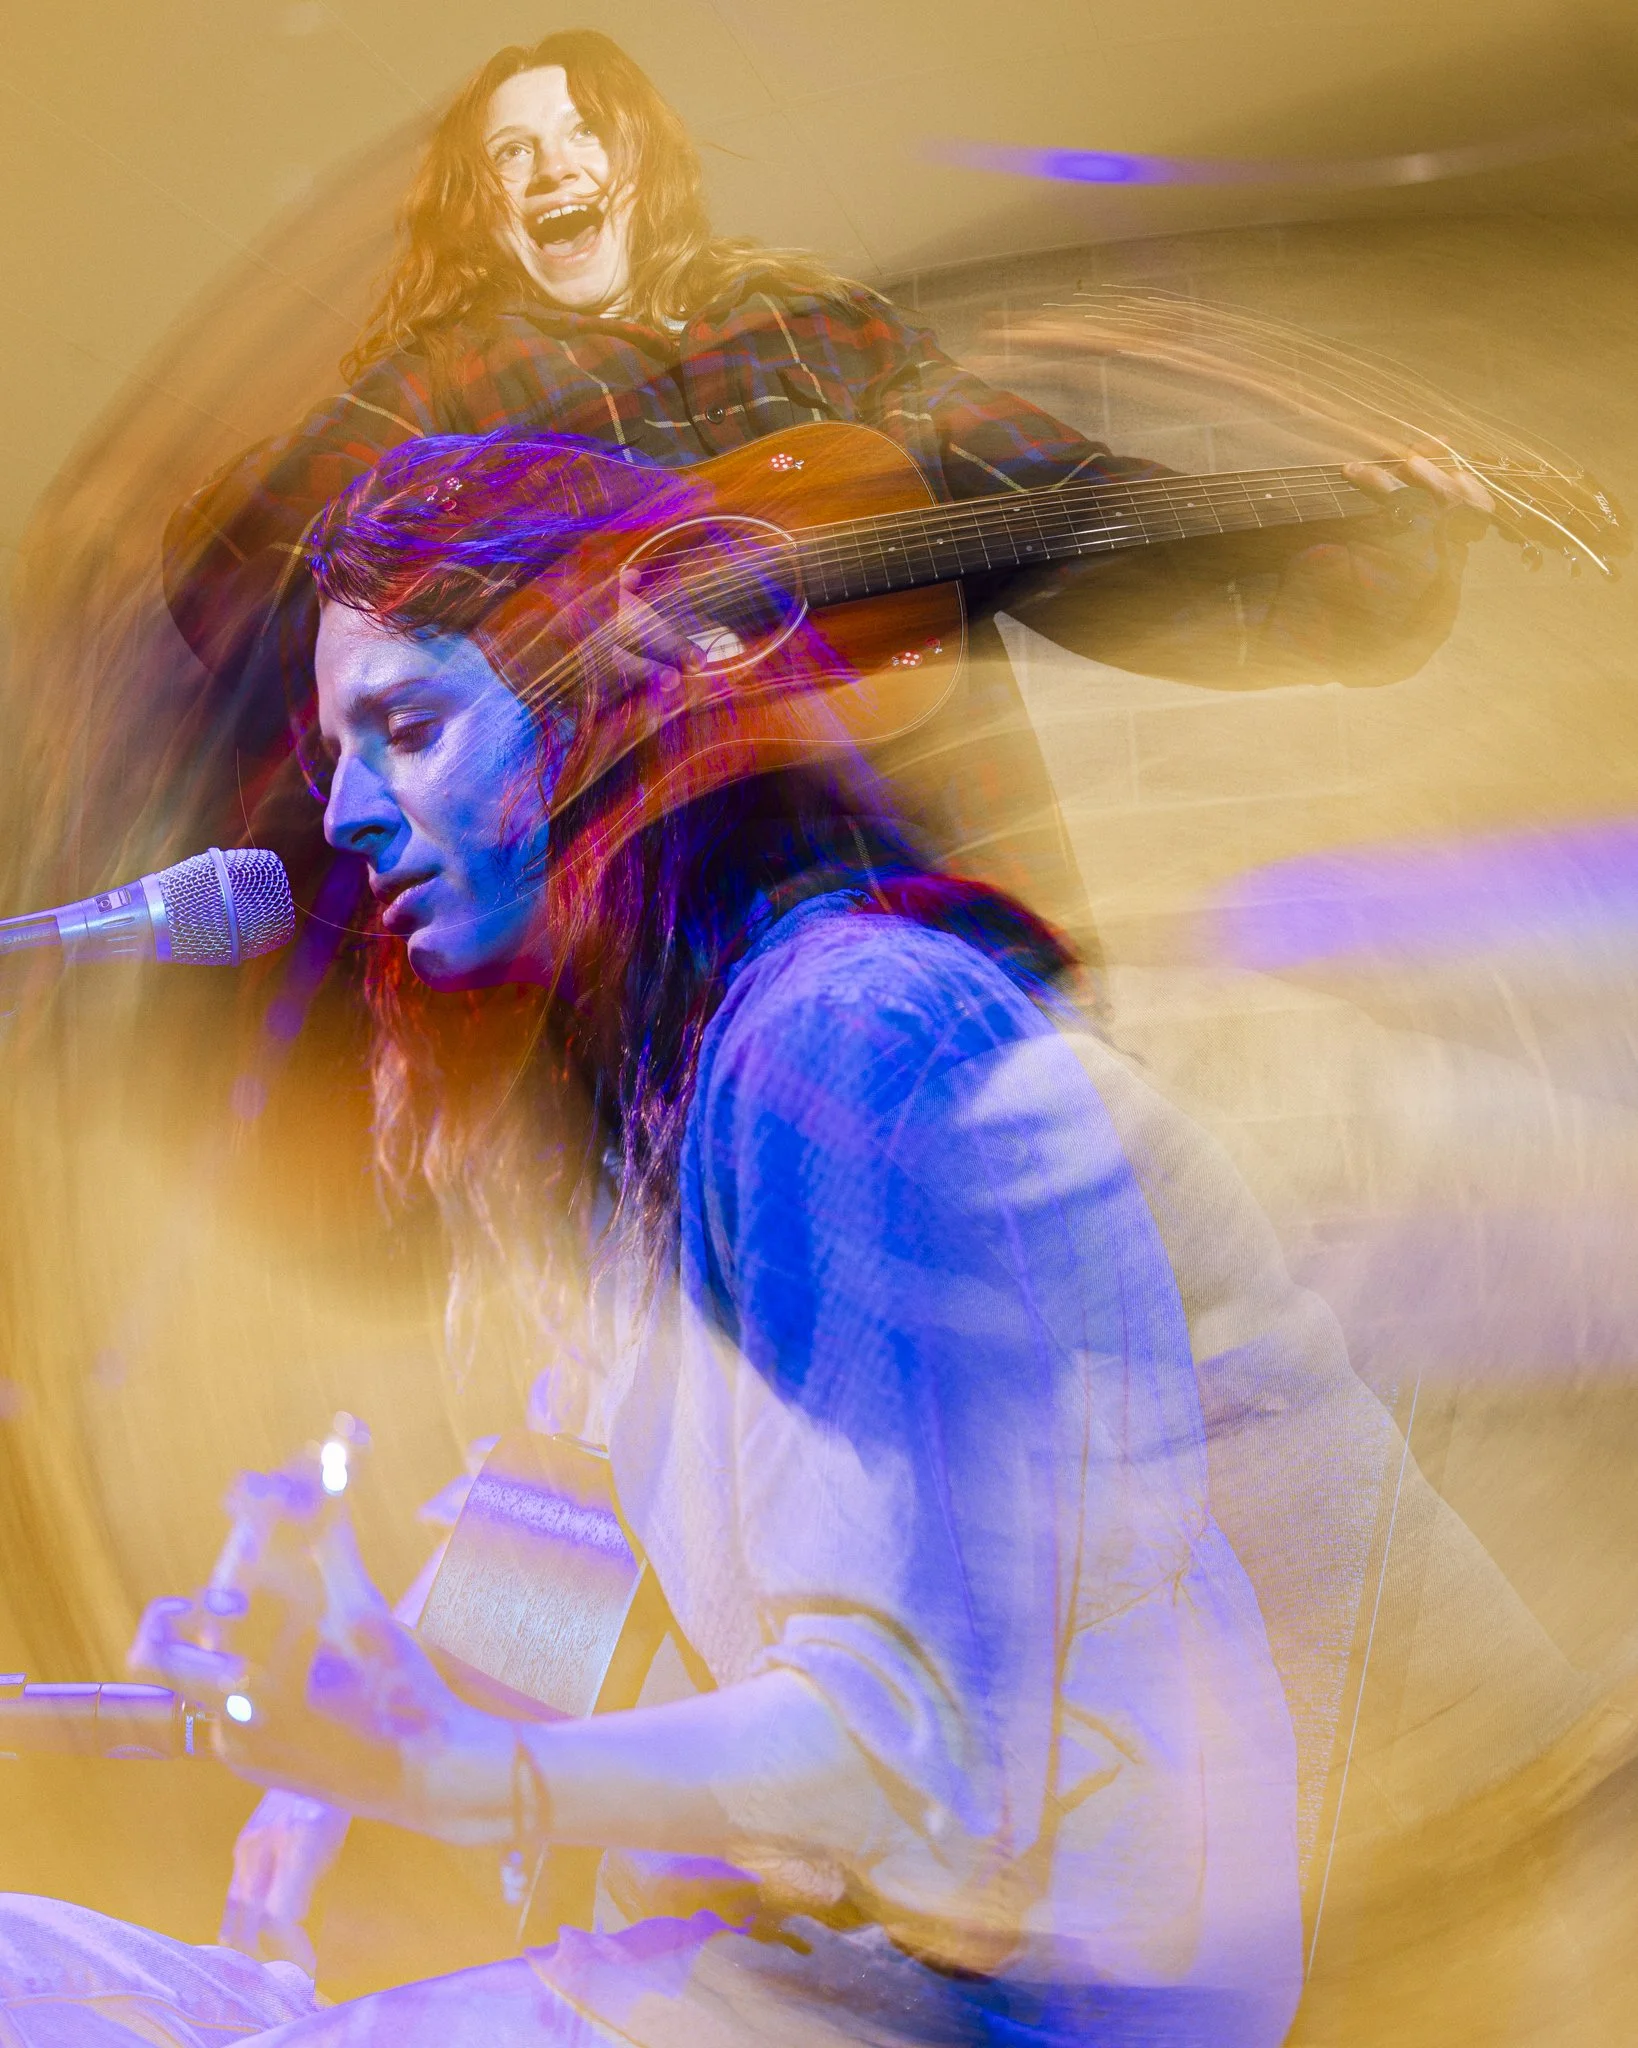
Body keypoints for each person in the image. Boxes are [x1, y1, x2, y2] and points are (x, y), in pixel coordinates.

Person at [0, 429, 1308, 2046]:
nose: (341, 814)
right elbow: (573, 1530)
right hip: (803, 1968)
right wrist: (358, 1694)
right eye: (338, 747)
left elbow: (914, 1758)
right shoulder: (654, 1074)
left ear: (611, 713)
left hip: (1022, 1995)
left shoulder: (844, 1048)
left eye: (405, 726)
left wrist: (453, 1771)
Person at [163, 27, 1489, 958]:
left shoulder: (820, 333)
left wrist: (1348, 557)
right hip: (660, 941)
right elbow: (246, 570)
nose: (553, 165)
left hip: (929, 880)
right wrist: (549, 628)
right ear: (479, 200)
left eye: (580, 132)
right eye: (512, 153)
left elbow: (1053, 505)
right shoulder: (443, 384)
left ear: (638, 161)